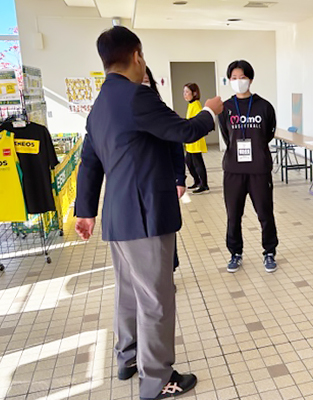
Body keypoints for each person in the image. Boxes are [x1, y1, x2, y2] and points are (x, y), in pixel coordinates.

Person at [74, 26, 223, 400]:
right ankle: (157, 380)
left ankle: (128, 357)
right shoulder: (137, 97)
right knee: (156, 298)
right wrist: (210, 110)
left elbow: (89, 162)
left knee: (128, 292)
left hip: (118, 216)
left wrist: (85, 211)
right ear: (137, 55)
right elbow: (186, 131)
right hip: (146, 216)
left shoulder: (100, 105)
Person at [218, 60, 279, 273]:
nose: (238, 81)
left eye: (242, 77)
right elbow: (227, 136)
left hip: (259, 169)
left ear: (250, 79)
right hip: (233, 170)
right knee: (233, 215)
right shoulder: (225, 108)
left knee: (265, 213)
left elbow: (268, 133)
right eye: (234, 78)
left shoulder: (264, 106)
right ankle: (235, 253)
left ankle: (269, 251)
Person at [143, 67, 186, 275]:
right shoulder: (119, 115)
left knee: (164, 228)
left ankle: (169, 270)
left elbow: (177, 147)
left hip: (162, 183)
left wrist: (180, 178)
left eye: (145, 81)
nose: (142, 85)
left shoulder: (163, 113)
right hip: (136, 187)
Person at [183, 83, 210, 194]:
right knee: (189, 162)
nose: (184, 94)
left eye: (187, 92)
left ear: (194, 93)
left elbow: (197, 122)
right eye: (184, 92)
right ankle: (197, 181)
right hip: (190, 140)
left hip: (196, 140)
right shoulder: (191, 105)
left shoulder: (196, 105)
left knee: (198, 163)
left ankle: (204, 185)